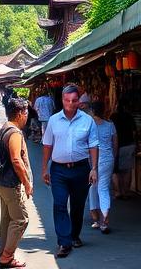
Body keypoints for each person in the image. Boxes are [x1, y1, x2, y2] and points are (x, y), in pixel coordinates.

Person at [41, 84, 100, 259]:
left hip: (81, 169)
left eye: (74, 100)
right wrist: (45, 168)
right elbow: (47, 145)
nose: (70, 104)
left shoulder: (87, 121)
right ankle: (64, 242)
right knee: (59, 204)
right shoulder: (53, 120)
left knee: (77, 205)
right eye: (67, 100)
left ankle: (74, 235)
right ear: (62, 100)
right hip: (58, 169)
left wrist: (94, 168)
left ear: (79, 101)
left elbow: (93, 145)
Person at [0, 98, 34, 269]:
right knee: (20, 219)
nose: (27, 117)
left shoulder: (4, 128)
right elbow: (16, 160)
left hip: (2, 182)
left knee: (7, 218)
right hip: (11, 184)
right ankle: (7, 256)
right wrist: (26, 182)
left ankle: (3, 252)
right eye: (25, 113)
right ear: (19, 114)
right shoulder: (14, 133)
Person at [88, 101, 117, 234]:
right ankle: (104, 217)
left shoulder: (88, 125)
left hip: (91, 159)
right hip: (107, 159)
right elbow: (115, 143)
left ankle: (96, 217)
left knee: (93, 186)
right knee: (103, 188)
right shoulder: (110, 125)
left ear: (92, 111)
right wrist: (113, 157)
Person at [111, 99, 137, 199]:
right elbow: (134, 132)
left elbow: (111, 133)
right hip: (129, 145)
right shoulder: (129, 116)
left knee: (115, 171)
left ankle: (118, 192)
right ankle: (125, 191)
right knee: (127, 170)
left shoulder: (113, 117)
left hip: (116, 145)